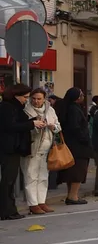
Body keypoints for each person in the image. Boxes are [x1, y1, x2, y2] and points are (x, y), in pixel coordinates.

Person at [1, 85, 44, 220]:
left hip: (14, 147)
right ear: (16, 95)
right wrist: (32, 124)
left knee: (10, 180)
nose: (26, 100)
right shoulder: (7, 107)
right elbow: (11, 126)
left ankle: (10, 210)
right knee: (8, 180)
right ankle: (6, 211)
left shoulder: (15, 108)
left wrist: (33, 122)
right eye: (25, 97)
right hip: (8, 148)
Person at [22, 88, 60, 214]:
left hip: (46, 147)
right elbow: (23, 127)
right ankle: (33, 203)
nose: (36, 101)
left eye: (39, 99)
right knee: (31, 176)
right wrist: (34, 125)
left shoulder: (50, 110)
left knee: (43, 176)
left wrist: (51, 126)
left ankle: (41, 201)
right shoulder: (26, 110)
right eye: (33, 98)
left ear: (44, 99)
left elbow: (58, 127)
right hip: (32, 147)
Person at [57, 88, 93, 205]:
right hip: (78, 146)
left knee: (72, 172)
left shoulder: (67, 107)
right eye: (81, 95)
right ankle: (73, 196)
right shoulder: (74, 109)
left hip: (71, 144)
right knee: (77, 171)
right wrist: (85, 138)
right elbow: (75, 127)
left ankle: (71, 195)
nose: (83, 97)